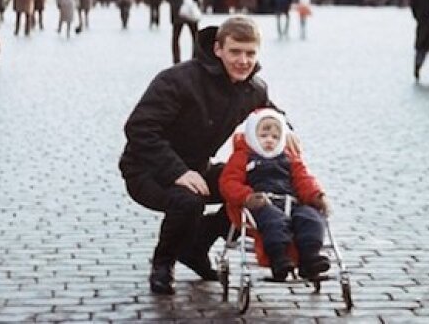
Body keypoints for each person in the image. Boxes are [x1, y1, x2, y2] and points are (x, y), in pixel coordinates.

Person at [119, 16, 297, 295]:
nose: (243, 61)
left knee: (255, 189)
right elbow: (139, 128)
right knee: (189, 200)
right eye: (235, 52)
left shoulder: (253, 88)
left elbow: (270, 115)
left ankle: (196, 246)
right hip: (147, 170)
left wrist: (287, 130)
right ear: (218, 49)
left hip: (198, 167)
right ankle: (163, 264)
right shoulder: (178, 80)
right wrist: (178, 172)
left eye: (250, 53)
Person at [220, 108, 331, 281]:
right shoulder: (243, 157)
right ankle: (278, 257)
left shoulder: (289, 157)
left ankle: (310, 256)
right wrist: (247, 197)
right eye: (263, 136)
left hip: (290, 202)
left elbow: (303, 179)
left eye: (275, 137)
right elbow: (229, 183)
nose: (269, 141)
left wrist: (317, 196)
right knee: (275, 221)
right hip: (260, 203)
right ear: (252, 136)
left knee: (310, 218)